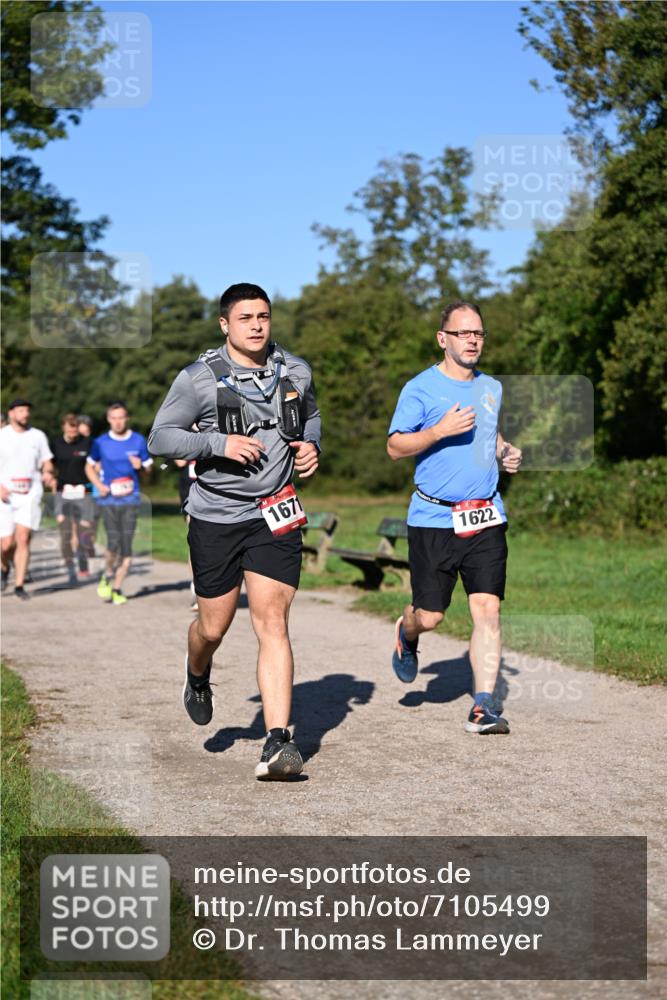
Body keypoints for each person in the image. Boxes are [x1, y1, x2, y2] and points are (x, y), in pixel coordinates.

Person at [149, 282, 321, 780]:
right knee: (214, 627)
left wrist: (311, 448)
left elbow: (310, 418)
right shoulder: (199, 379)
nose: (257, 325)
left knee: (272, 621)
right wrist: (219, 444)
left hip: (275, 513)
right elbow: (160, 437)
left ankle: (277, 742)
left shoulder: (296, 371)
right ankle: (197, 671)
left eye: (263, 316)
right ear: (225, 324)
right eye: (245, 318)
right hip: (216, 515)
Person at [387, 301, 522, 734]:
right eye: (463, 333)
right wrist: (439, 431)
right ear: (442, 338)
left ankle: (484, 705)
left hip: (484, 515)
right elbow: (395, 447)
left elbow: (491, 434)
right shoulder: (420, 389)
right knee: (430, 616)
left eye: (478, 333)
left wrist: (505, 452)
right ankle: (407, 635)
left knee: (488, 609)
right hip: (433, 518)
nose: (473, 341)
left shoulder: (492, 387)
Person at [85, 402, 152, 605]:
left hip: (131, 500)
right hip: (109, 500)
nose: (118, 421)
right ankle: (107, 573)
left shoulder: (138, 440)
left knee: (126, 545)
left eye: (121, 417)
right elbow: (88, 467)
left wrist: (141, 467)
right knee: (113, 543)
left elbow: (149, 470)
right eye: (114, 418)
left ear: (127, 418)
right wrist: (98, 484)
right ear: (108, 419)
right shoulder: (100, 442)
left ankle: (116, 588)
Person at [0, 399, 56, 599]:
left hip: (30, 493)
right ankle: (4, 566)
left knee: (23, 539)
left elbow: (47, 462)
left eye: (27, 411)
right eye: (21, 410)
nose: (25, 414)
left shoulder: (38, 436)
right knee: (5, 544)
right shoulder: (2, 436)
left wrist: (48, 473)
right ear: (11, 413)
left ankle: (19, 585)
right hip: (5, 495)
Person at [50, 412, 95, 584]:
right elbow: (49, 465)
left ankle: (82, 561)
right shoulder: (56, 444)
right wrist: (51, 479)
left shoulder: (87, 443)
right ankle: (70, 567)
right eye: (70, 430)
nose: (73, 434)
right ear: (64, 427)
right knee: (66, 533)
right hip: (63, 492)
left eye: (75, 431)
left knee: (83, 532)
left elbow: (95, 463)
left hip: (83, 492)